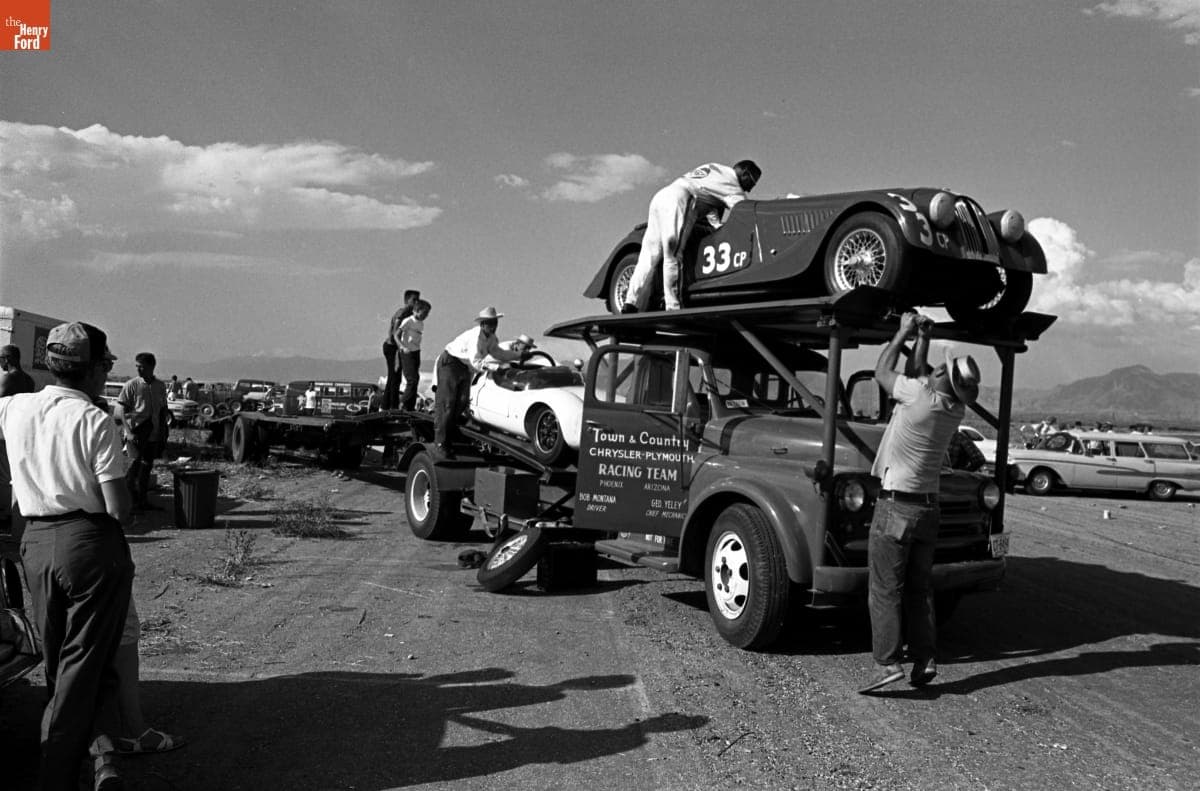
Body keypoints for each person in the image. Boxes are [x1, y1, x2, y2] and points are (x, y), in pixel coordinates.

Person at [0, 321, 134, 790]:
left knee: (63, 661)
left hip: (36, 545)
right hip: (90, 547)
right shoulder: (95, 420)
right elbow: (119, 509)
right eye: (107, 365)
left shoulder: (14, 407)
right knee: (87, 663)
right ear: (95, 370)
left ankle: (101, 757)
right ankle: (59, 772)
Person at [860, 312, 981, 694]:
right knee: (919, 588)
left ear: (941, 379)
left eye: (940, 370)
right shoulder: (951, 409)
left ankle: (888, 663)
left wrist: (901, 334)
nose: (935, 370)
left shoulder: (919, 396)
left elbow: (882, 371)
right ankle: (925, 658)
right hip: (929, 508)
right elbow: (918, 374)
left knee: (884, 589)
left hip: (897, 505)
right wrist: (924, 339)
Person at [621, 160, 761, 313]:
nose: (751, 189)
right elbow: (744, 209)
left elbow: (710, 203)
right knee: (673, 255)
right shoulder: (732, 183)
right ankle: (673, 307)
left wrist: (716, 225)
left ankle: (630, 303)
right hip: (681, 199)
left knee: (648, 257)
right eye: (752, 182)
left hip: (661, 197)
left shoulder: (715, 169)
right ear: (745, 174)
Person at [434, 307, 527, 458]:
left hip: (464, 367)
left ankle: (449, 434)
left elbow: (499, 353)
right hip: (451, 363)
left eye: (495, 323)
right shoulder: (475, 337)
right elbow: (476, 362)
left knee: (462, 401)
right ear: (483, 324)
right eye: (491, 323)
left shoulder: (490, 339)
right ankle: (440, 443)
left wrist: (518, 355)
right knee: (447, 403)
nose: (494, 326)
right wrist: (496, 368)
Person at [117, 352, 169, 512]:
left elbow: (162, 410)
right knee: (133, 468)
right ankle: (130, 504)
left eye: (142, 367)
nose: (139, 370)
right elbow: (119, 411)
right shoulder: (131, 385)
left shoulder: (160, 386)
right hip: (136, 432)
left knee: (146, 468)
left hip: (152, 433)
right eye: (137, 367)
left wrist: (163, 430)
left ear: (151, 367)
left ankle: (143, 501)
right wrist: (128, 431)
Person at [383, 289, 421, 409]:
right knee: (394, 377)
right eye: (414, 300)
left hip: (397, 347)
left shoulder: (411, 314)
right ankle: (392, 406)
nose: (416, 302)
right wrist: (399, 347)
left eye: (417, 300)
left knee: (394, 377)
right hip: (393, 347)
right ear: (407, 301)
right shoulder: (403, 312)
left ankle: (387, 405)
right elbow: (395, 332)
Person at [397, 299, 431, 412]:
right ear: (416, 311)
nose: (426, 316)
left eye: (427, 314)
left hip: (416, 351)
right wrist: (402, 347)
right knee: (412, 379)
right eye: (424, 313)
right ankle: (403, 402)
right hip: (407, 352)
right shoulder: (408, 321)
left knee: (416, 378)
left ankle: (410, 406)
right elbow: (396, 335)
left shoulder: (421, 323)